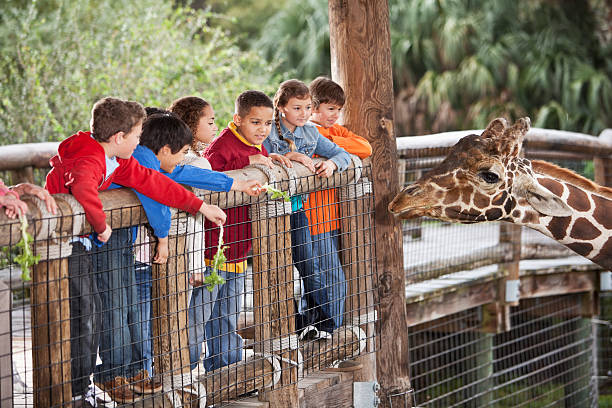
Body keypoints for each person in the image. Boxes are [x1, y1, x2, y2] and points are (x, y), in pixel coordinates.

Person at [45, 97, 226, 406]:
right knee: (97, 308)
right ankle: (105, 375)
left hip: (95, 237)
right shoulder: (90, 158)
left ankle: (128, 369)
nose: (141, 142)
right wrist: (102, 225)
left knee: (121, 299)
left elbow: (154, 183)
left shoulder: (120, 161)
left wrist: (200, 205)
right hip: (68, 240)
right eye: (138, 135)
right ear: (119, 138)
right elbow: (85, 190)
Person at [121, 109, 261, 377]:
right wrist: (163, 238)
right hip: (121, 252)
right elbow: (157, 196)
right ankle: (144, 379)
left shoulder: (154, 160)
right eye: (182, 151)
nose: (184, 157)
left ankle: (151, 378)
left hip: (131, 254)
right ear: (164, 150)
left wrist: (237, 185)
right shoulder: (143, 163)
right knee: (135, 324)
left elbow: (185, 175)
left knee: (145, 323)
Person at [201, 90, 291, 371]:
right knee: (201, 315)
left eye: (267, 123)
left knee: (228, 316)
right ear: (237, 119)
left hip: (239, 251)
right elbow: (207, 178)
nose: (263, 129)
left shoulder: (259, 147)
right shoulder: (221, 147)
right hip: (212, 250)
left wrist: (272, 159)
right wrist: (245, 164)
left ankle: (227, 372)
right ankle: (188, 374)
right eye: (255, 122)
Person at [263, 79, 351, 340]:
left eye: (307, 107)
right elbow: (253, 157)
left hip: (297, 210)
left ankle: (321, 327)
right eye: (297, 108)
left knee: (309, 267)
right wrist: (290, 157)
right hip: (268, 214)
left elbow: (342, 154)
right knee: (275, 273)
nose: (303, 114)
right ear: (281, 108)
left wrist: (332, 165)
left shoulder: (311, 133)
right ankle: (286, 331)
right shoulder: (267, 132)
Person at [303, 77, 373, 333]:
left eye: (338, 110)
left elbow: (364, 147)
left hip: (333, 220)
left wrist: (330, 150)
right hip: (314, 219)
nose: (335, 115)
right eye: (330, 109)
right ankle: (330, 332)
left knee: (320, 277)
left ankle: (313, 328)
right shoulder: (305, 132)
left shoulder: (334, 133)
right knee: (331, 278)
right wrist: (329, 149)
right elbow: (309, 147)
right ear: (314, 107)